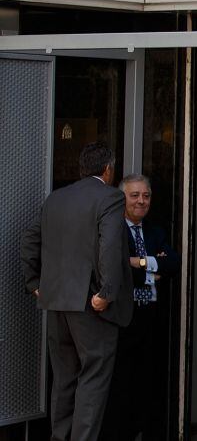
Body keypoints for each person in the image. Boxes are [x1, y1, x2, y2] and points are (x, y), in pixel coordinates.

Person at [20, 142, 134, 441]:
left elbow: (30, 240)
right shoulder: (110, 197)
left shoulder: (56, 198)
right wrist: (107, 292)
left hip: (56, 301)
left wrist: (35, 284)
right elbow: (110, 246)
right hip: (90, 305)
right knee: (93, 380)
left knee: (64, 380)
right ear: (108, 169)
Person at [100, 174, 179, 441]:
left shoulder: (155, 230)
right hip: (122, 322)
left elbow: (174, 264)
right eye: (134, 195)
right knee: (120, 386)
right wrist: (152, 265)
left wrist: (140, 263)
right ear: (122, 198)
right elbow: (117, 270)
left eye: (145, 196)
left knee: (148, 385)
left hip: (152, 320)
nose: (141, 201)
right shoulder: (112, 230)